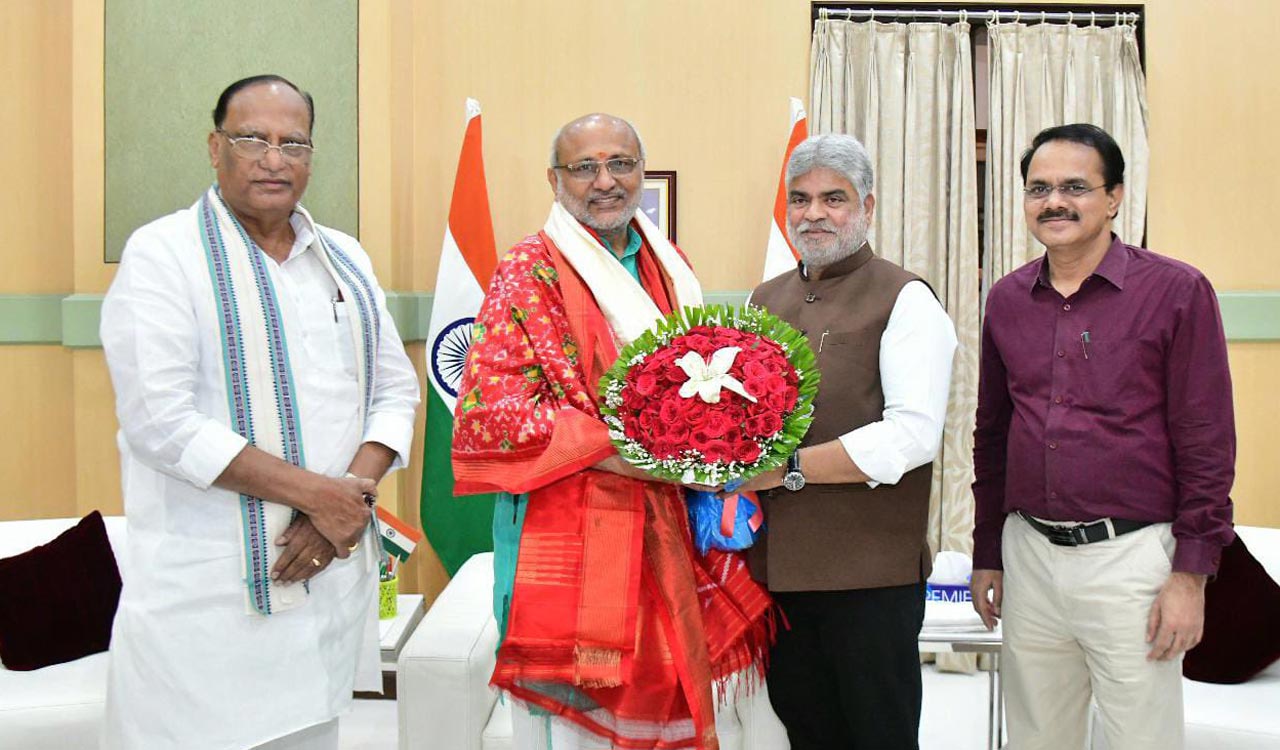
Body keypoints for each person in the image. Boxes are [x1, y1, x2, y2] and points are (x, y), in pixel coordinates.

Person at [99, 74, 420, 750]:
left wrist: (344, 503)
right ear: (215, 148)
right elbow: (161, 421)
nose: (274, 159)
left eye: (293, 143)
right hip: (210, 601)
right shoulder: (163, 254)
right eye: (253, 139)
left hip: (324, 578)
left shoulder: (345, 258)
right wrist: (322, 500)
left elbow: (395, 391)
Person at [451, 113, 773, 750]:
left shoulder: (667, 262)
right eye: (585, 167)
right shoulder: (529, 269)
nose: (605, 181)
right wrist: (636, 454)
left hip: (669, 521)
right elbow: (499, 411)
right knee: (567, 731)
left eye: (620, 163)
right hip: (564, 526)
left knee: (669, 696)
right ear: (555, 179)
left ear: (640, 171)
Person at [970, 123, 1236, 750]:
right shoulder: (1007, 300)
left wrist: (1190, 577)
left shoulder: (1176, 292)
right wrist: (988, 550)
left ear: (1114, 197)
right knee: (1037, 737)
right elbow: (992, 435)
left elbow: (1206, 442)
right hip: (1029, 555)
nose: (1054, 201)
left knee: (1140, 738)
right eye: (1038, 188)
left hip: (1133, 559)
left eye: (1074, 187)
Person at [741, 133, 958, 749]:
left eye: (833, 198)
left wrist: (785, 470)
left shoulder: (905, 297)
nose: (814, 214)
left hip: (869, 578)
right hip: (776, 574)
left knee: (876, 737)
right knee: (805, 733)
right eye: (800, 199)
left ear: (867, 206)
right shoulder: (766, 298)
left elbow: (911, 436)